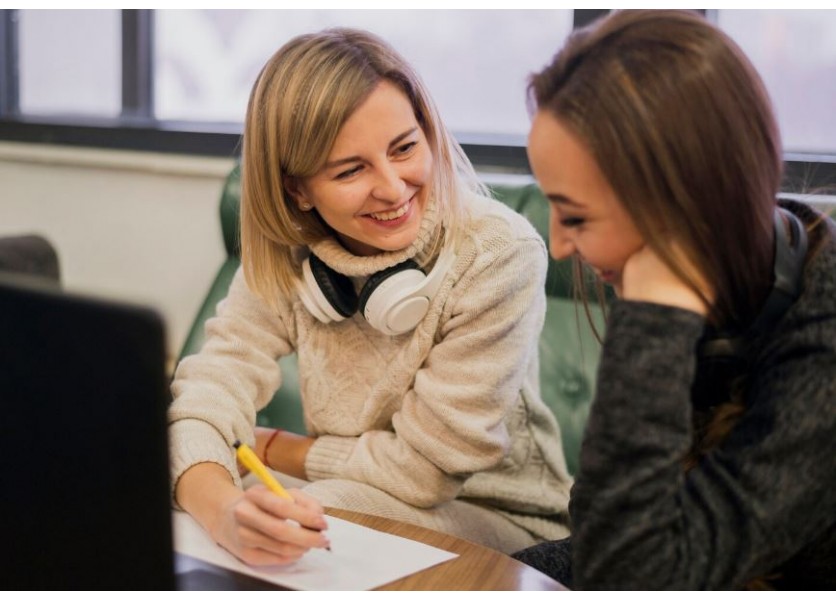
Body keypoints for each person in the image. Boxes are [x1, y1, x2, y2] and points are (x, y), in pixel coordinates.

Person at [168, 27, 573, 566]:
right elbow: (204, 397)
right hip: (359, 487)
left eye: (405, 147)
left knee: (303, 523)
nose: (392, 187)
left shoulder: (498, 252)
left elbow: (423, 472)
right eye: (351, 169)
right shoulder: (288, 253)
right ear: (297, 189)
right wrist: (219, 507)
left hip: (499, 516)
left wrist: (275, 449)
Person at [513, 9, 836, 591]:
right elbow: (597, 536)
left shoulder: (820, 340)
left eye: (577, 216)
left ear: (684, 210)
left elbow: (630, 572)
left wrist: (655, 320)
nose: (559, 246)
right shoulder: (711, 294)